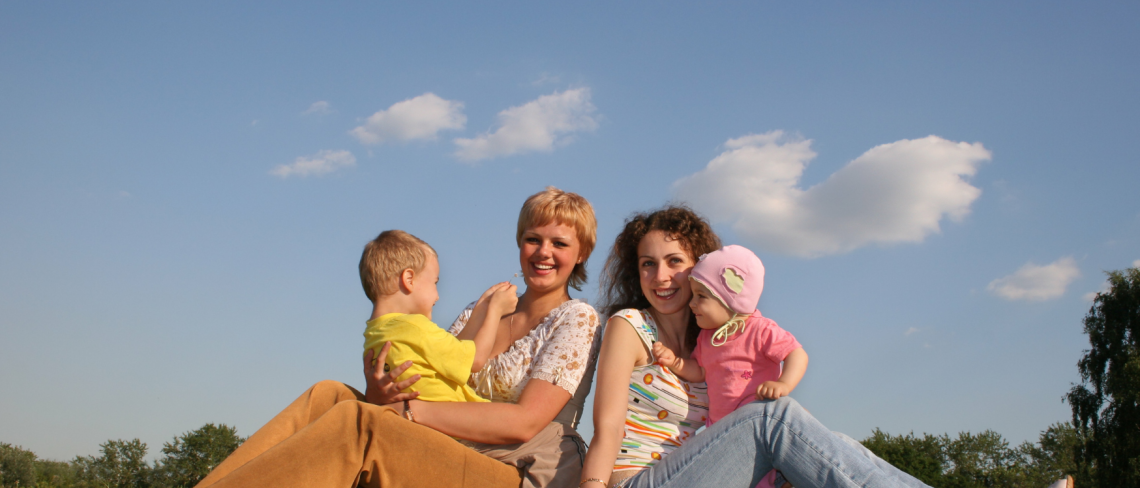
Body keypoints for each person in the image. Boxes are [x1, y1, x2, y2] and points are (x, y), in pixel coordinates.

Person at [195, 187, 601, 488]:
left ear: (580, 253)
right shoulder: (481, 310)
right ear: (520, 242)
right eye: (533, 239)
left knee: (361, 423)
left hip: (512, 468)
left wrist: (407, 412)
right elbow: (425, 377)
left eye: (559, 243)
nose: (542, 252)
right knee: (330, 394)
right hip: (447, 446)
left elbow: (524, 423)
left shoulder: (576, 318)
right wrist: (381, 394)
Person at [581, 206, 931, 488]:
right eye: (648, 264)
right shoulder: (631, 326)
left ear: (702, 270)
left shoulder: (707, 341)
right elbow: (608, 427)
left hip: (696, 471)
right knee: (771, 418)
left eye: (675, 261)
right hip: (638, 480)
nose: (660, 276)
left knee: (832, 443)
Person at [653, 244, 808, 488]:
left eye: (701, 297)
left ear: (732, 298)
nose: (692, 304)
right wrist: (676, 362)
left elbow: (796, 354)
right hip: (721, 430)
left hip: (757, 426)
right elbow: (700, 371)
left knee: (769, 474)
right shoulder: (708, 338)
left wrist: (783, 384)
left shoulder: (760, 329)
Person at [360, 229, 517, 403]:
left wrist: (480, 310)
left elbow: (452, 353)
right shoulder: (416, 327)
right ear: (409, 279)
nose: (438, 295)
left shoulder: (374, 335)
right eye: (435, 282)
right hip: (452, 420)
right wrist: (495, 311)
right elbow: (475, 361)